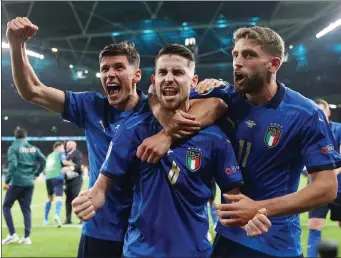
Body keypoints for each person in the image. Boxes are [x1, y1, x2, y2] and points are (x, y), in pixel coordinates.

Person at [7, 17, 228, 258]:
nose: (110, 74)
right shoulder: (90, 106)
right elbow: (32, 90)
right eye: (104, 69)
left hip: (143, 234)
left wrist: (167, 131)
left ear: (136, 76)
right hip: (99, 228)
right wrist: (16, 45)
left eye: (119, 67)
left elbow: (216, 104)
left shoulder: (157, 108)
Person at [72, 44, 272, 257]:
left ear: (193, 82)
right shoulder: (131, 130)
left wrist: (250, 216)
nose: (169, 78)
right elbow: (101, 188)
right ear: (154, 81)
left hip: (194, 252)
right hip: (139, 253)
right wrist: (90, 198)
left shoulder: (216, 138)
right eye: (162, 72)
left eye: (178, 72)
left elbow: (234, 197)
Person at [186, 26, 340, 257]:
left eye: (249, 55)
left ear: (274, 64)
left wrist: (259, 208)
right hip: (229, 235)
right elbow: (160, 103)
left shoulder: (304, 113)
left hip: (276, 244)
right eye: (235, 54)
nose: (237, 62)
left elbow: (327, 188)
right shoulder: (227, 97)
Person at [307, 99, 341, 257]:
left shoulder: (339, 129)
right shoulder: (308, 131)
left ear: (328, 112)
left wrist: (325, 176)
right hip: (316, 188)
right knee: (314, 225)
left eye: (321, 110)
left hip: (339, 187)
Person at [2, 128, 46, 245]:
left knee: (6, 206)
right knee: (26, 209)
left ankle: (12, 234)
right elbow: (43, 160)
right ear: (26, 137)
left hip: (17, 181)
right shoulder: (33, 148)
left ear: (15, 137)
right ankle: (27, 237)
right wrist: (36, 174)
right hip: (29, 183)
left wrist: (6, 181)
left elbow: (13, 165)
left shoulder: (13, 148)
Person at [43, 141, 73, 227]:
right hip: (57, 176)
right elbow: (64, 162)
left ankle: (45, 219)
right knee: (59, 197)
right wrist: (72, 164)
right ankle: (57, 215)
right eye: (62, 147)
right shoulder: (60, 153)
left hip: (48, 177)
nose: (63, 149)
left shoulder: (49, 155)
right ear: (58, 147)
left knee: (49, 198)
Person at [64, 141, 83, 225]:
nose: (67, 146)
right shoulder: (65, 155)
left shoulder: (77, 153)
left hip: (76, 179)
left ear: (74, 145)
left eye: (69, 145)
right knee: (68, 199)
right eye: (67, 145)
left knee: (76, 199)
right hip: (67, 180)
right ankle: (68, 219)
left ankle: (82, 218)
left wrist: (70, 168)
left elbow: (78, 165)